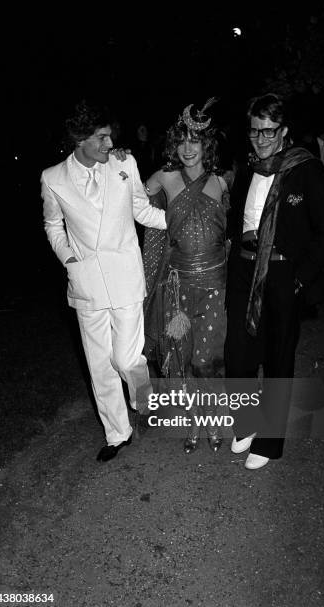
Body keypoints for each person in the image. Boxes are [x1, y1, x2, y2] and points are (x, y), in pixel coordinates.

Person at [41, 100, 166, 463]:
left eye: (111, 136)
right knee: (99, 365)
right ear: (80, 140)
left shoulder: (125, 163)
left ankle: (143, 402)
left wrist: (178, 223)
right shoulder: (52, 178)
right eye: (102, 138)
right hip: (87, 283)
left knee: (127, 359)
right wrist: (68, 257)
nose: (110, 145)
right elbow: (53, 225)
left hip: (126, 276)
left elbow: (140, 208)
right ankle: (117, 433)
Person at [225, 93, 324, 469]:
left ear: (284, 131)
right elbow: (235, 220)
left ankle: (270, 443)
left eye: (269, 131)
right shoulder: (246, 169)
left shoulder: (305, 169)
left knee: (277, 357)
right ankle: (247, 423)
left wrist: (299, 279)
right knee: (238, 353)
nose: (261, 138)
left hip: (282, 274)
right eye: (255, 131)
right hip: (244, 269)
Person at [142, 99, 232, 454]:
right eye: (181, 141)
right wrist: (118, 161)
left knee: (205, 359)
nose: (188, 148)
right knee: (182, 358)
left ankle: (211, 418)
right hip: (178, 287)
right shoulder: (164, 177)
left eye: (195, 141)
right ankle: (195, 420)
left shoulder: (222, 183)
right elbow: (130, 197)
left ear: (206, 144)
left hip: (215, 287)